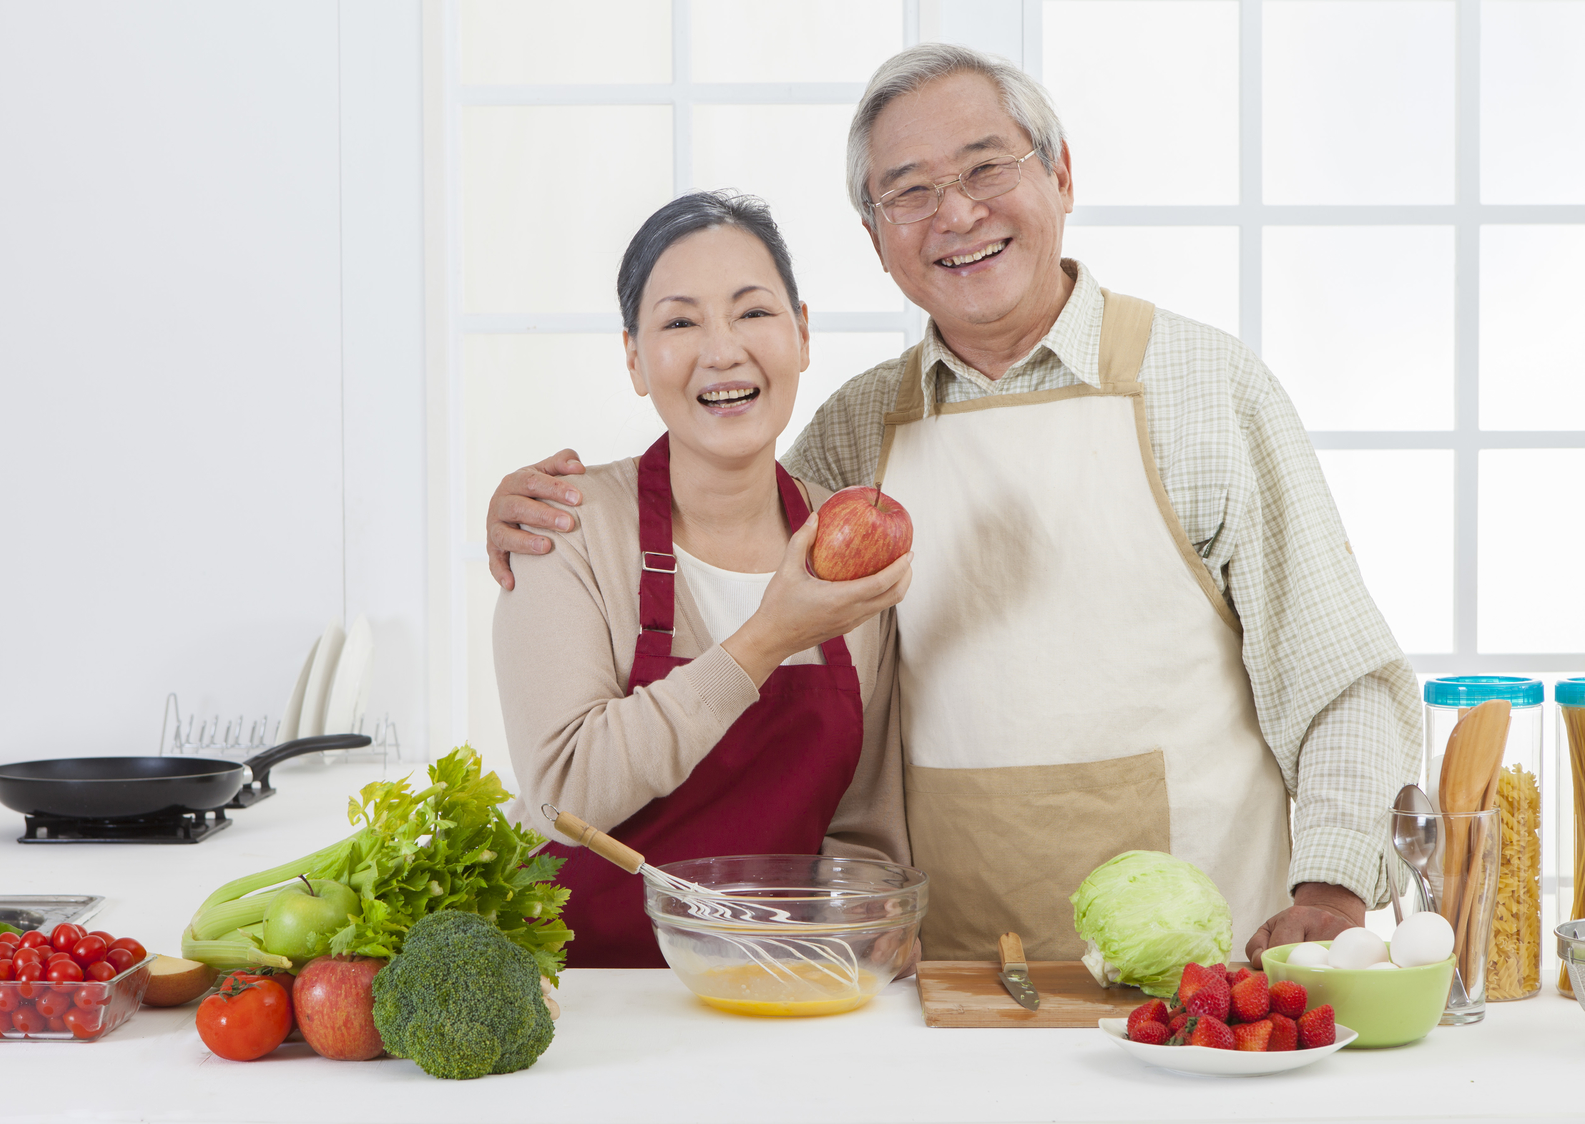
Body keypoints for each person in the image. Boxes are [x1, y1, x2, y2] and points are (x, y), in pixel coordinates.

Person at [488, 44, 1422, 967]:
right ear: (876, 238)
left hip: (1193, 980)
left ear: (1060, 174)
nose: (958, 214)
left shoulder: (1207, 389)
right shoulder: (855, 436)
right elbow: (731, 534)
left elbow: (1340, 679)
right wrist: (523, 520)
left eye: (986, 168)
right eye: (910, 192)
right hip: (942, 983)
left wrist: (1332, 887)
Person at [493, 191, 913, 969]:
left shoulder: (851, 546)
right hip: (577, 995)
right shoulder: (564, 528)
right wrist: (767, 639)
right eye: (681, 322)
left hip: (774, 987)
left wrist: (867, 920)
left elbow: (863, 818)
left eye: (753, 312)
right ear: (633, 358)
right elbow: (562, 794)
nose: (723, 351)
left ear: (803, 334)